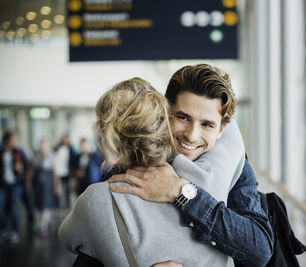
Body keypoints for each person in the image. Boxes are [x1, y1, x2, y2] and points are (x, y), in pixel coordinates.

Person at [59, 77, 245, 266]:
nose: (192, 134)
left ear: (109, 136)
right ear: (166, 123)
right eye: (182, 117)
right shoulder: (209, 175)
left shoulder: (96, 199)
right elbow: (230, 130)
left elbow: (67, 238)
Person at [108, 64, 274, 266]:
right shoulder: (134, 163)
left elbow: (260, 249)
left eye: (207, 125)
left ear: (221, 129)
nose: (191, 135)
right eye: (183, 118)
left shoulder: (232, 166)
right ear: (166, 114)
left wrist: (183, 193)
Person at [0, 130, 28, 244]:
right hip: (2, 184)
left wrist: (20, 170)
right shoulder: (1, 152)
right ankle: (4, 230)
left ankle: (15, 232)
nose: (15, 142)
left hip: (15, 184)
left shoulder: (18, 152)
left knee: (14, 208)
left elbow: (25, 167)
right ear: (7, 140)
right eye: (13, 139)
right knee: (1, 207)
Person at [31, 138, 56, 237]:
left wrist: (56, 186)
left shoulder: (51, 156)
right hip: (37, 185)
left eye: (45, 145)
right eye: (42, 145)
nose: (43, 147)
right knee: (39, 205)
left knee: (46, 205)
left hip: (48, 185)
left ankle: (44, 226)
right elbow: (31, 170)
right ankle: (43, 224)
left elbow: (55, 173)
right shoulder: (36, 156)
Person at [54, 134, 76, 209]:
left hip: (69, 175)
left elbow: (74, 163)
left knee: (70, 195)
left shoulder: (72, 150)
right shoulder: (58, 149)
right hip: (61, 175)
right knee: (62, 196)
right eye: (64, 139)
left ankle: (69, 211)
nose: (66, 140)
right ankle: (63, 211)